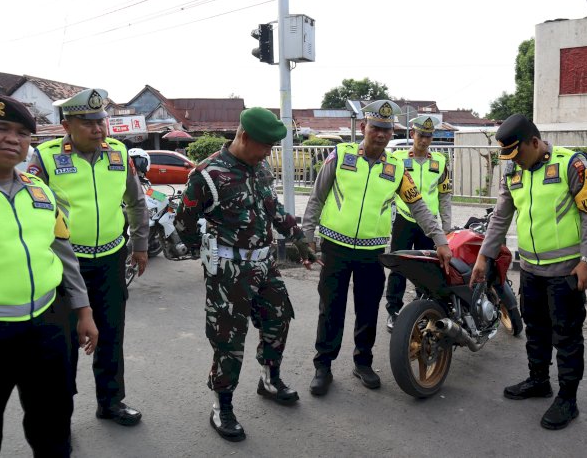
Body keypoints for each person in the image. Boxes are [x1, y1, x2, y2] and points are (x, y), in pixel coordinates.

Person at [174, 107, 318, 442]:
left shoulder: (260, 167)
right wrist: (208, 255)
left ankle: (269, 378)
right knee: (228, 341)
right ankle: (222, 405)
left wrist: (298, 240)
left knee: (278, 319)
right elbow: (184, 223)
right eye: (265, 145)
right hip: (229, 271)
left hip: (265, 264)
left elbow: (273, 208)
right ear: (243, 136)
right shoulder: (207, 174)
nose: (269, 152)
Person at [302, 100, 453, 396]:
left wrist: (441, 240)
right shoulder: (340, 155)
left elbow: (419, 206)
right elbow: (316, 197)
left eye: (387, 129)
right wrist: (307, 237)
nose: (382, 134)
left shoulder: (396, 168)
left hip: (372, 252)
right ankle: (323, 366)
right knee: (331, 308)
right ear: (363, 128)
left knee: (368, 309)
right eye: (376, 128)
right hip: (335, 247)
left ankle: (363, 363)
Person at [469, 114, 587, 430]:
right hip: (530, 267)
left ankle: (568, 399)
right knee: (536, 327)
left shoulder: (572, 164)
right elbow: (501, 216)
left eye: (518, 153)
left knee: (567, 335)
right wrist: (483, 257)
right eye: (509, 156)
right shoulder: (514, 169)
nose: (514, 161)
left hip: (565, 271)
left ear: (534, 142)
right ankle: (539, 379)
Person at [0, 94, 98, 456]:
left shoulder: (41, 191)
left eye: (22, 133)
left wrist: (83, 310)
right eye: (0, 128)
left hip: (48, 325)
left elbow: (64, 255)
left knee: (52, 423)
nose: (12, 139)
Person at [28, 88, 149, 427]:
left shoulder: (118, 152)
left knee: (111, 334)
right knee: (63, 342)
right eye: (88, 122)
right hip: (66, 265)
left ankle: (111, 402)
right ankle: (59, 414)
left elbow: (136, 201)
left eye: (101, 121)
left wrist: (140, 245)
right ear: (68, 124)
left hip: (111, 257)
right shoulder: (46, 156)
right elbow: (34, 211)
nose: (99, 129)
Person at [384, 114, 452, 333]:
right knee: (398, 267)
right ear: (412, 134)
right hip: (404, 219)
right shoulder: (398, 158)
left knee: (428, 269)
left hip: (429, 224)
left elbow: (445, 195)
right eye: (421, 135)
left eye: (429, 136)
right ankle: (394, 311)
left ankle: (423, 309)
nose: (424, 140)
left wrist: (447, 228)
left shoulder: (440, 161)